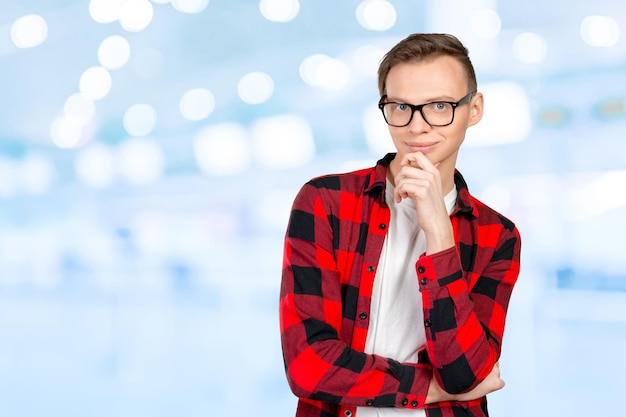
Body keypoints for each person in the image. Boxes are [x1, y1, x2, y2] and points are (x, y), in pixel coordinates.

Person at [279, 33, 521, 417]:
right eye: (401, 107)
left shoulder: (497, 236)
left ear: (474, 109)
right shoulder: (325, 202)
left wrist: (440, 236)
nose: (417, 127)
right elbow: (308, 366)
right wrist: (432, 391)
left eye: (439, 106)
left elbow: (464, 374)